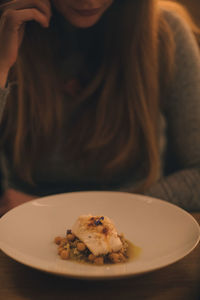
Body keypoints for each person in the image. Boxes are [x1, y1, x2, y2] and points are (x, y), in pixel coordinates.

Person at [0, 0, 200, 216]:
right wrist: (1, 68)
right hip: (23, 228)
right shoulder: (8, 29)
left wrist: (72, 212)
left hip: (137, 228)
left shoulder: (166, 33)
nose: (89, 1)